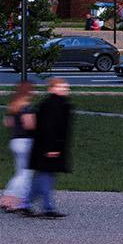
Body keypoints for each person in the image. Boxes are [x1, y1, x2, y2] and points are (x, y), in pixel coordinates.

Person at [30, 77, 74, 218]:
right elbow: (49, 128)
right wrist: (51, 148)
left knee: (43, 176)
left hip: (48, 146)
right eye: (62, 87)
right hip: (48, 147)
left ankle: (26, 203)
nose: (66, 89)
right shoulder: (53, 105)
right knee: (46, 177)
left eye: (65, 87)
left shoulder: (55, 103)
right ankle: (47, 207)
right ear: (52, 88)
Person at [0, 81, 36, 214]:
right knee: (25, 174)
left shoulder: (13, 106)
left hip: (15, 141)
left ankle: (10, 200)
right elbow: (30, 125)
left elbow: (7, 123)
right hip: (26, 142)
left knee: (20, 172)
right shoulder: (26, 107)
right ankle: (12, 199)